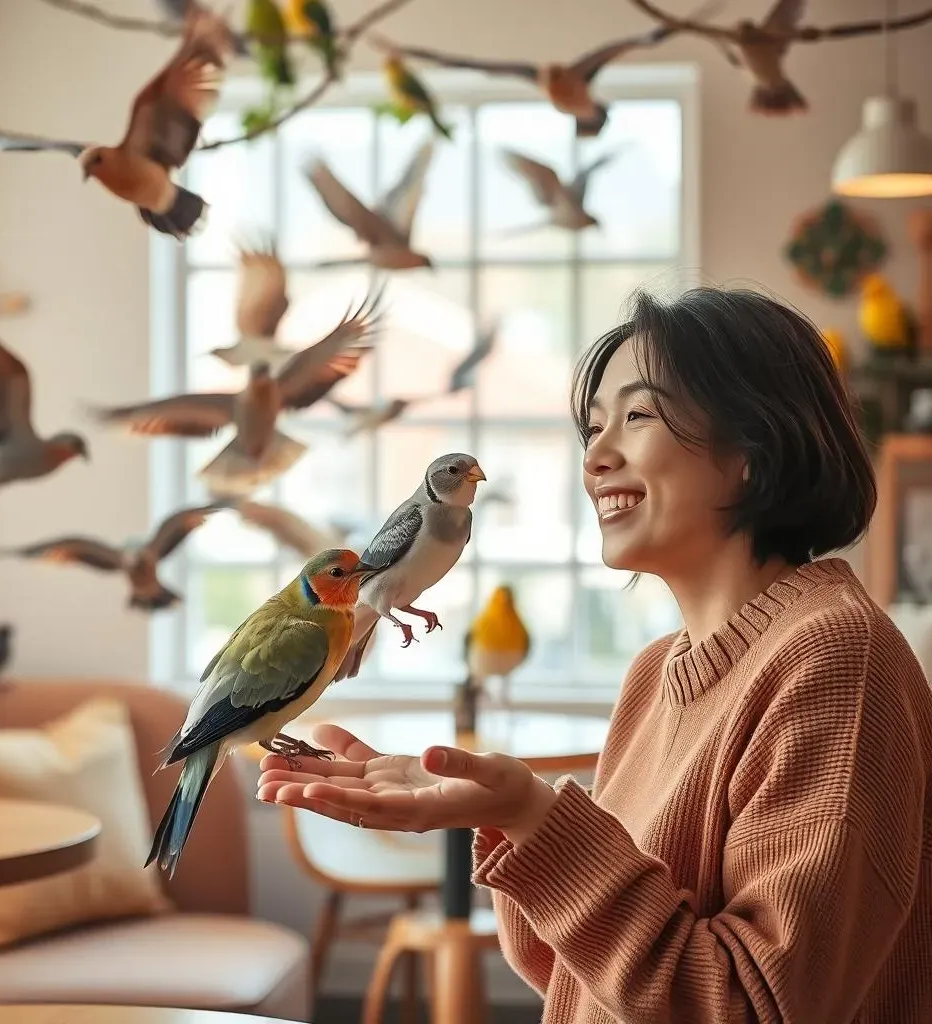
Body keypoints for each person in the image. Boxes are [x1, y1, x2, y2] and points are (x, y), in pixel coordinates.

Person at [256, 286, 932, 1023]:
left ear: (751, 451)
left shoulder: (834, 660)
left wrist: (538, 815)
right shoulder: (655, 673)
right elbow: (584, 980)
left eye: (637, 416)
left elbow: (751, 1007)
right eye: (593, 426)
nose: (595, 458)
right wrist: (513, 820)